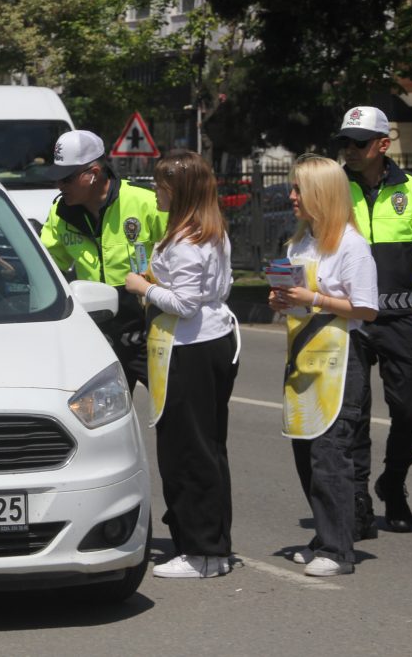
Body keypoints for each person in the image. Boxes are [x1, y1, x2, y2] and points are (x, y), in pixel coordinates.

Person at [335, 106, 412, 536]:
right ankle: (358, 503)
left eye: (359, 142)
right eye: (345, 142)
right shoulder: (334, 188)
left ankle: (395, 480)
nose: (349, 149)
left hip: (402, 316)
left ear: (383, 145)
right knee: (353, 414)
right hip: (348, 316)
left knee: (408, 409)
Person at [123, 150, 239, 579]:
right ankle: (212, 544)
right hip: (211, 341)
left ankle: (202, 551)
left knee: (188, 450)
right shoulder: (209, 232)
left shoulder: (189, 241)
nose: (156, 191)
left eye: (161, 185)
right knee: (208, 447)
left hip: (190, 346)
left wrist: (144, 287)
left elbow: (186, 304)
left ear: (180, 190)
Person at [269, 154, 378, 576]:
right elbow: (294, 295)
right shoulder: (300, 242)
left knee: (330, 453)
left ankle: (338, 550)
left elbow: (366, 309)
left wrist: (312, 299)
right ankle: (324, 534)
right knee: (306, 449)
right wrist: (281, 299)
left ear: (321, 194)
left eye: (298, 189)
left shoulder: (351, 244)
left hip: (339, 360)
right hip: (303, 355)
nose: (291, 196)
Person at [40, 130, 168, 389]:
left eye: (66, 178)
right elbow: (48, 264)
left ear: (94, 174)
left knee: (171, 412)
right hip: (97, 336)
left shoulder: (144, 202)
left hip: (148, 333)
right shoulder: (60, 213)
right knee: (105, 419)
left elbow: (183, 251)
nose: (59, 186)